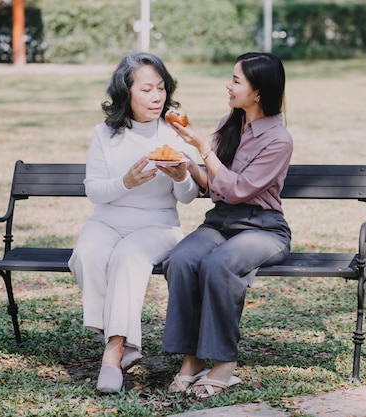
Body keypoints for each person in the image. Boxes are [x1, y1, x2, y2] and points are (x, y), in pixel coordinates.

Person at [162, 52, 293, 398]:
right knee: (181, 259)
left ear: (259, 92)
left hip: (263, 229)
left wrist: (203, 147)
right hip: (221, 223)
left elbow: (237, 190)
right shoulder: (229, 124)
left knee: (220, 265)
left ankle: (223, 363)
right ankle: (191, 359)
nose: (228, 85)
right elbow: (212, 186)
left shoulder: (279, 139)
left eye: (236, 80)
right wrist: (187, 167)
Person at [68, 51, 200, 394]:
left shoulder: (173, 133)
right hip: (108, 221)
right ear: (126, 92)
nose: (156, 97)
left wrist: (183, 175)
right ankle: (126, 343)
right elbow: (94, 190)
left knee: (128, 256)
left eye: (161, 88)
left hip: (158, 227)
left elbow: (187, 197)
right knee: (87, 254)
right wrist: (126, 182)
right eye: (146, 89)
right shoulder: (105, 134)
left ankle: (112, 354)